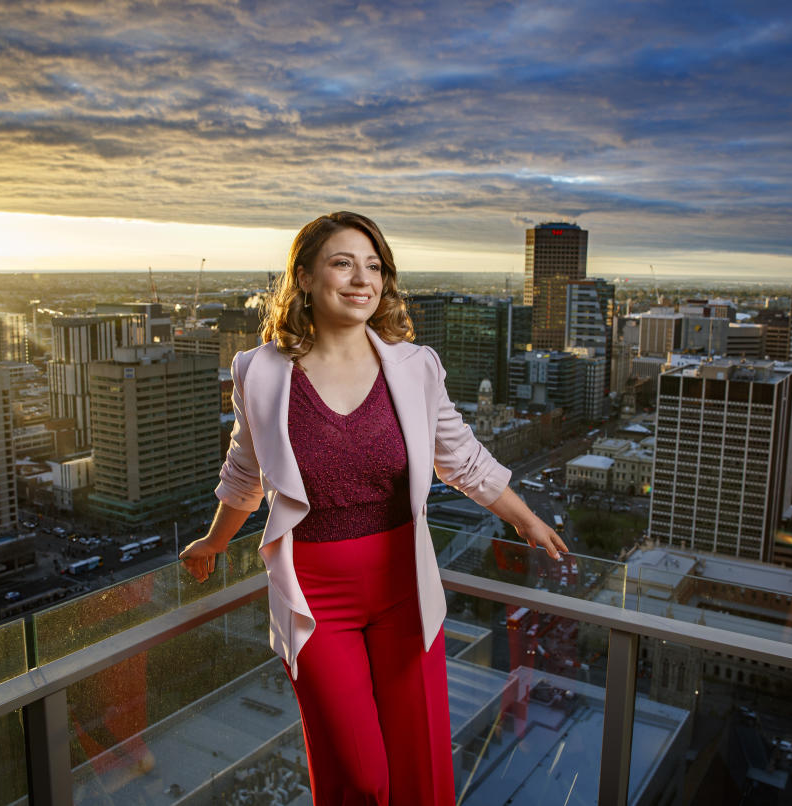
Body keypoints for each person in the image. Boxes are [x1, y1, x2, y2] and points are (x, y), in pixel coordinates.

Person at [180, 211, 567, 805]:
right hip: (315, 598)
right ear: (304, 278)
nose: (362, 279)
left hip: (403, 592)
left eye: (374, 266)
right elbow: (244, 474)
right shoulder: (258, 372)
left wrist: (525, 517)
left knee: (419, 764)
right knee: (360, 775)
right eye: (342, 263)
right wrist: (214, 540)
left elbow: (461, 458)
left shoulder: (415, 367)